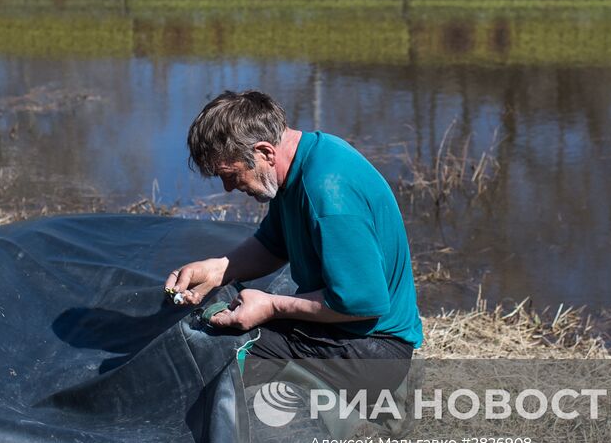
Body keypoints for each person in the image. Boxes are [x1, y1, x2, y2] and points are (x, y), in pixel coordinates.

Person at [168, 90, 422, 405]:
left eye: (231, 175)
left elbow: (361, 304)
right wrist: (218, 269)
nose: (229, 188)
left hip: (373, 351)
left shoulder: (328, 192)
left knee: (222, 351)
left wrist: (273, 305)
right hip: (349, 332)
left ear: (264, 152)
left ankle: (375, 407)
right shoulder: (302, 162)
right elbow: (272, 245)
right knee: (216, 333)